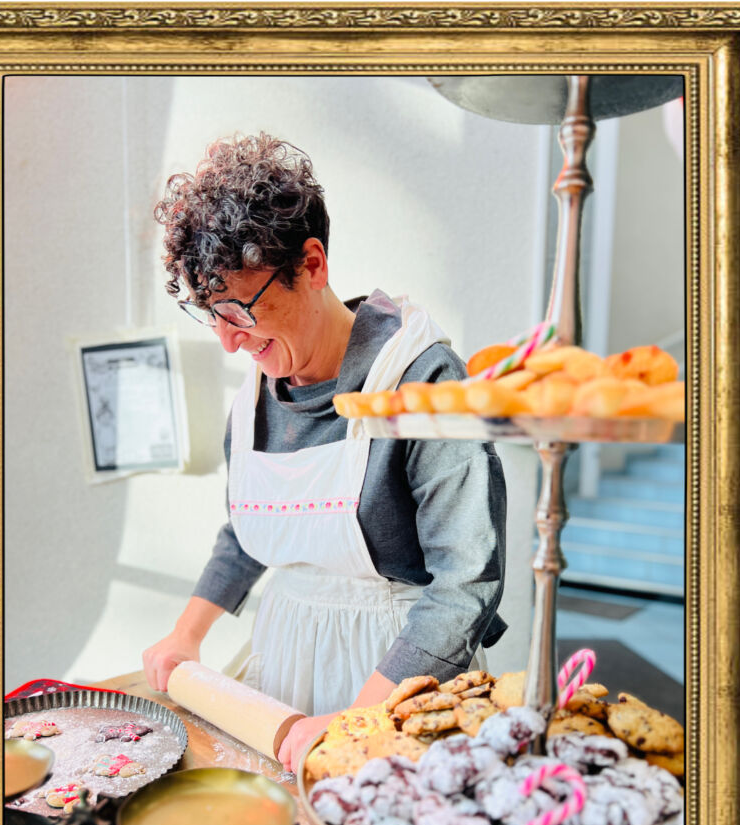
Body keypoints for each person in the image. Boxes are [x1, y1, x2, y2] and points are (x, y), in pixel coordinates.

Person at [143, 133, 507, 771]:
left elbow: (465, 583)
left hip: (401, 678)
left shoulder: (420, 378)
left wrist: (357, 721)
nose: (229, 342)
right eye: (211, 314)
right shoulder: (255, 394)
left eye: (238, 309)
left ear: (312, 265)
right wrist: (186, 634)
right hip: (288, 665)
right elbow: (250, 527)